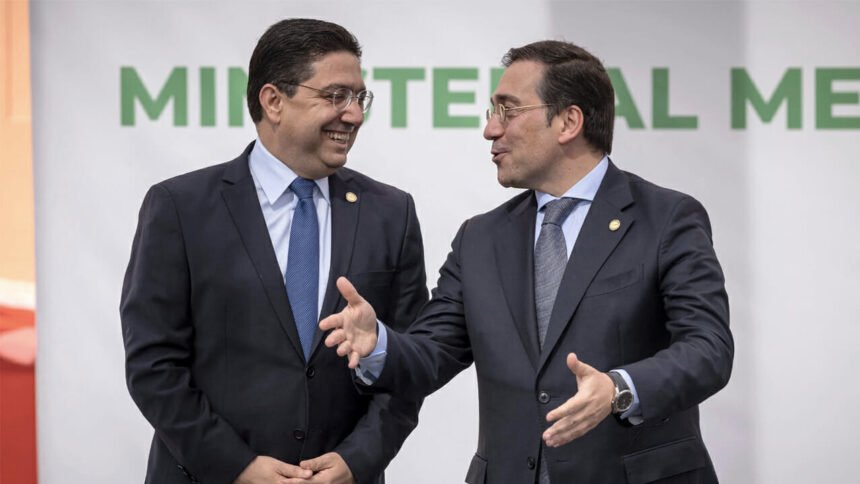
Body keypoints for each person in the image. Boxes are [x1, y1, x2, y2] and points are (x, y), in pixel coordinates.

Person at [321, 40, 733, 483]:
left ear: (568, 122)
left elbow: (707, 349)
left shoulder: (666, 218)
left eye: (508, 110)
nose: (490, 130)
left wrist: (618, 388)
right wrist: (378, 343)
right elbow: (432, 352)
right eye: (492, 112)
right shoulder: (480, 239)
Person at [121, 18, 427, 484]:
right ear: (273, 101)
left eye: (359, 98)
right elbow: (153, 365)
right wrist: (236, 466)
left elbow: (410, 360)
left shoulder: (390, 213)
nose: (354, 115)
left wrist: (357, 460)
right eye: (335, 96)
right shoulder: (180, 207)